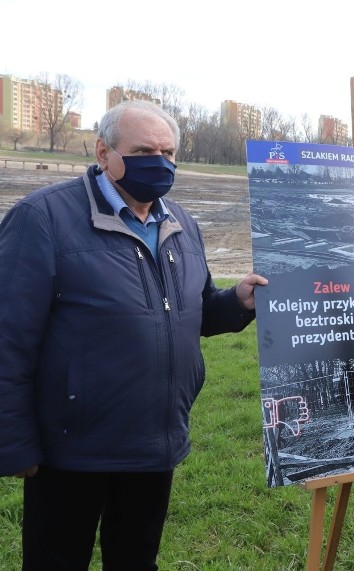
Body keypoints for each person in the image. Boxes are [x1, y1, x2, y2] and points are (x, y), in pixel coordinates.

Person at [0, 99, 267, 570]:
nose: (159, 162)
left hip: (152, 442)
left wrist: (237, 302)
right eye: (144, 149)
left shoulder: (182, 222)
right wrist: (15, 442)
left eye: (168, 152)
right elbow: (8, 339)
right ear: (104, 152)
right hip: (72, 448)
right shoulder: (43, 219)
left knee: (136, 559)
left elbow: (194, 311)